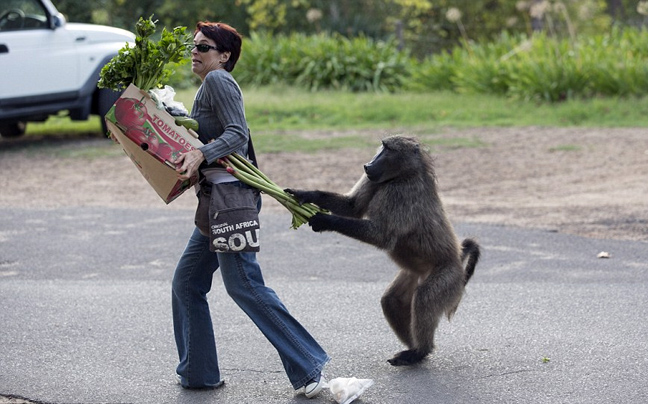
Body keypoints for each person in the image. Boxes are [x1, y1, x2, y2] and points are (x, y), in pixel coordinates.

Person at [171, 21, 330, 398]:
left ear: (224, 56)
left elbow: (237, 134)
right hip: (217, 202)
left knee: (244, 286)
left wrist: (200, 152)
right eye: (193, 47)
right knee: (188, 282)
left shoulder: (218, 81)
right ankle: (198, 373)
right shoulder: (208, 85)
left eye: (203, 47)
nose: (195, 52)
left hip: (231, 203)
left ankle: (308, 365)